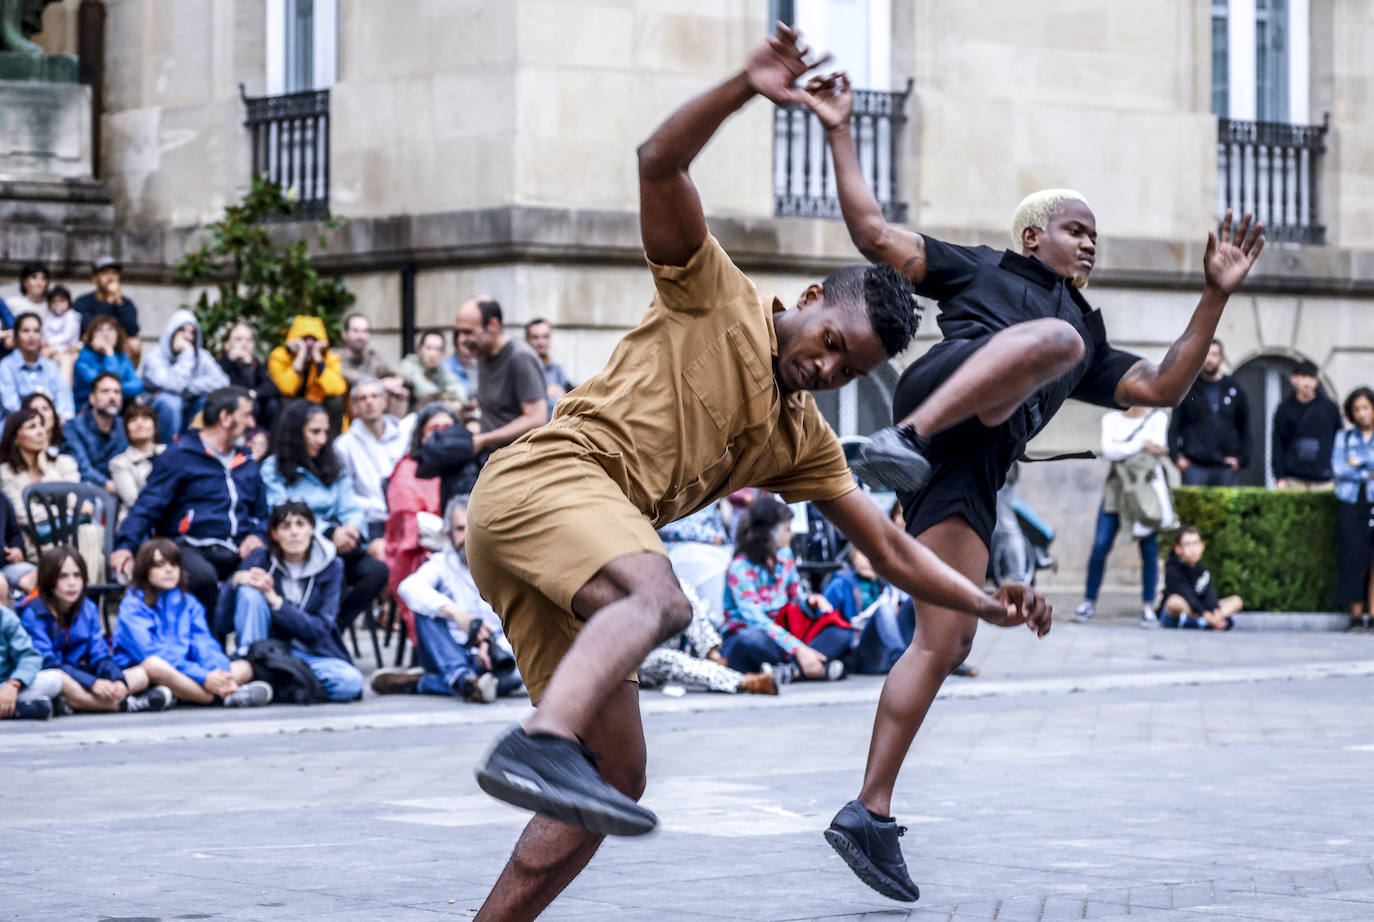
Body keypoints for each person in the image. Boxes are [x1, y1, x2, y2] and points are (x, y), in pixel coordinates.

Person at [464, 29, 1049, 921]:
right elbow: (658, 164)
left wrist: (982, 603)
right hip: (546, 480)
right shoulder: (713, 289)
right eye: (830, 348)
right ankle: (535, 737)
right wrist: (745, 85)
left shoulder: (801, 440)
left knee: (614, 777)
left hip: (572, 549)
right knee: (662, 600)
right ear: (812, 301)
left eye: (848, 373)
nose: (826, 370)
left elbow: (889, 549)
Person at [796, 66, 1267, 900]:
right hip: (935, 400)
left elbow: (1161, 389)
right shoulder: (983, 271)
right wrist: (838, 126)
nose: (1090, 242)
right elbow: (873, 233)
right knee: (1055, 339)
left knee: (946, 644)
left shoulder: (1086, 327)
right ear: (1031, 239)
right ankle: (901, 441)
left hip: (972, 469)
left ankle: (867, 811)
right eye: (1075, 230)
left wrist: (1213, 296)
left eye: (1095, 235)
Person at [110, 387, 268, 620]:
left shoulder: (246, 462)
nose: (251, 422)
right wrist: (125, 545)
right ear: (225, 417)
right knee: (202, 577)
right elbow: (147, 505)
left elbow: (263, 514)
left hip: (238, 547)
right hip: (188, 545)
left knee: (267, 567)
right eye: (246, 415)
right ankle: (212, 646)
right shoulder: (180, 456)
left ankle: (258, 650)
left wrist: (257, 535)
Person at [373, 495, 521, 703]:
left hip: (490, 657)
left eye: (474, 527)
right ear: (448, 533)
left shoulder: (505, 568)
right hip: (445, 651)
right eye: (461, 529)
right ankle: (465, 679)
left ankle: (427, 682)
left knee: (513, 677)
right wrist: (456, 613)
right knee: (424, 609)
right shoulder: (441, 564)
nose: (468, 535)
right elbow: (408, 587)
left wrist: (490, 645)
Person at [260, 400, 389, 632]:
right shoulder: (273, 468)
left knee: (377, 571)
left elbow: (350, 504)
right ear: (295, 432)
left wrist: (353, 529)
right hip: (300, 545)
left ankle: (331, 631)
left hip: (341, 542)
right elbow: (280, 512)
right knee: (335, 567)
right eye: (314, 432)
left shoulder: (332, 463)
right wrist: (330, 533)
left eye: (325, 432)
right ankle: (317, 631)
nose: (321, 439)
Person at [216, 501, 363, 703]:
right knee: (249, 592)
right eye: (285, 526)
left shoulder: (332, 566)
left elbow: (320, 629)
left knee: (350, 683)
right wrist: (233, 583)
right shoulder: (260, 559)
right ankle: (273, 678)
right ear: (275, 534)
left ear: (312, 529)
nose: (294, 532)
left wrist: (276, 602)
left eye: (300, 524)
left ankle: (269, 686)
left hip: (308, 653)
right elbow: (222, 623)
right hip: (264, 652)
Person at [112, 538, 272, 707]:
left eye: (174, 564)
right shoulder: (132, 605)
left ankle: (217, 690)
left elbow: (204, 644)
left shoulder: (188, 602)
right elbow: (151, 653)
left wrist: (218, 672)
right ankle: (219, 698)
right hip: (156, 672)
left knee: (244, 667)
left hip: (188, 672)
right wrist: (204, 677)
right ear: (144, 570)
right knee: (154, 666)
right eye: (160, 565)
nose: (169, 570)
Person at [18, 546, 174, 713]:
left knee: (140, 676)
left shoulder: (88, 608)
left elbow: (100, 655)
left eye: (77, 575)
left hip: (84, 675)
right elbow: (47, 662)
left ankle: (77, 704)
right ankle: (125, 704)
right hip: (57, 676)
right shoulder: (32, 611)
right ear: (49, 580)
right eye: (63, 576)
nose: (72, 583)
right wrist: (92, 683)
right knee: (60, 680)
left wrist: (117, 680)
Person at [720, 497, 851, 679]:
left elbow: (795, 596)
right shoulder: (739, 568)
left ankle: (790, 671)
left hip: (786, 634)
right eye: (787, 529)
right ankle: (809, 669)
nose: (793, 534)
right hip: (758, 635)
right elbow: (755, 620)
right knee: (749, 640)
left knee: (840, 632)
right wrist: (798, 648)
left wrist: (810, 602)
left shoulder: (785, 555)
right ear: (769, 533)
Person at [1074, 405, 1172, 627]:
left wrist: (1125, 447)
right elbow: (1109, 450)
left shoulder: (1158, 418)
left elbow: (1157, 449)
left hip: (1143, 491)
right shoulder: (1111, 419)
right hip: (1116, 491)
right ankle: (1088, 602)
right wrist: (1141, 444)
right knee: (1100, 546)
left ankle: (1148, 606)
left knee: (1149, 549)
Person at [638, 578, 778, 695]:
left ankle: (713, 654)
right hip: (636, 660)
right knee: (667, 658)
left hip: (663, 640)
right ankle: (745, 682)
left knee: (678, 586)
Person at [384, 403, 452, 639]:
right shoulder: (408, 468)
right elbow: (409, 520)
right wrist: (450, 535)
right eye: (435, 427)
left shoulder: (464, 465)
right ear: (421, 433)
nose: (441, 433)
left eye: (447, 427)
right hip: (420, 550)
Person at [453, 296, 548, 457]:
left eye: (468, 332)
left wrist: (485, 439)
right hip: (490, 456)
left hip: (517, 461)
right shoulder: (483, 353)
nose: (462, 339)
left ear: (492, 325)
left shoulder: (520, 358)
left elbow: (537, 418)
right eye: (459, 332)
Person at [334, 378, 410, 551]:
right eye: (363, 398)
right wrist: (380, 507)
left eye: (374, 396)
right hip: (371, 520)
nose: (369, 402)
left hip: (405, 514)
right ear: (354, 407)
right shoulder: (343, 445)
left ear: (385, 402)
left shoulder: (404, 436)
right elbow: (345, 493)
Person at [1166, 340, 1250, 486]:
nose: (1209, 359)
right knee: (1193, 509)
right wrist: (1176, 457)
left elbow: (1245, 427)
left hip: (1225, 465)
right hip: (1194, 466)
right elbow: (1174, 426)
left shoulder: (1234, 388)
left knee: (1226, 509)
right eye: (1206, 355)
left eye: (1214, 354)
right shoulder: (1188, 389)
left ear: (1221, 358)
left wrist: (1242, 459)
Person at [823, 543, 909, 675]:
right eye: (863, 554)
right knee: (883, 609)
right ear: (853, 556)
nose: (868, 561)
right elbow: (822, 618)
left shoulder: (884, 583)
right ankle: (902, 663)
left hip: (890, 647)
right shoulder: (841, 582)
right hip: (864, 653)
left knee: (914, 602)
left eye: (872, 556)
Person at [142, 309, 229, 438]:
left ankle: (193, 446)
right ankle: (169, 450)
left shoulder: (201, 356)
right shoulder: (154, 357)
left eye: (192, 332)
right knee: (171, 402)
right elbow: (174, 385)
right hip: (160, 413)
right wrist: (187, 355)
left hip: (189, 409)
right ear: (171, 331)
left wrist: (190, 387)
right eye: (182, 330)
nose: (187, 336)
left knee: (205, 401)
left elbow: (222, 381)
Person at [0, 407, 81, 532]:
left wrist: (44, 467)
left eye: (42, 425)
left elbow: (74, 500)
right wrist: (65, 512)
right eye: (32, 427)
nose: (41, 432)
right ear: (15, 438)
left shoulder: (60, 463)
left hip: (67, 533)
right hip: (32, 539)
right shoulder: (5, 472)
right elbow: (21, 513)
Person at [1334, 386, 1374, 627]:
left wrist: (1359, 463)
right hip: (1351, 502)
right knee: (1353, 558)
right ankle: (1356, 615)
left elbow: (1351, 467)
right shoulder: (1345, 437)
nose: (1362, 413)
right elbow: (1339, 469)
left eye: (1366, 407)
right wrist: (1369, 472)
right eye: (1357, 409)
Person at [267, 315, 348, 432]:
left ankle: (331, 447)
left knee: (335, 402)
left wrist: (319, 362)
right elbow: (286, 388)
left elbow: (338, 389)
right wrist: (300, 357)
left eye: (314, 339)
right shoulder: (279, 356)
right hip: (292, 408)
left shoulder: (329, 359)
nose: (309, 344)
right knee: (284, 401)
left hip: (317, 408)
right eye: (304, 338)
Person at [1272, 360, 1341, 490]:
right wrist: (1279, 477)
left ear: (1316, 381)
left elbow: (1339, 439)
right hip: (1293, 478)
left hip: (1324, 479)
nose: (1307, 382)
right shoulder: (1284, 409)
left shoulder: (1329, 408)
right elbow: (1278, 444)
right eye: (1303, 377)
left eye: (1311, 377)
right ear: (1294, 379)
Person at [1159, 526, 1243, 630]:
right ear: (1178, 549)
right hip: (1183, 610)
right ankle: (1207, 622)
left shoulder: (1202, 570)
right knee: (1174, 601)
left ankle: (1203, 622)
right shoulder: (1173, 569)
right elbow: (1187, 597)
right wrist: (1207, 615)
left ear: (1202, 546)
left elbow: (1210, 595)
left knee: (1236, 601)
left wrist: (1216, 612)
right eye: (1187, 545)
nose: (1193, 549)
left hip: (1201, 609)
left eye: (1195, 543)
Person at [0, 312, 75, 421]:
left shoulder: (50, 366)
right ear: (16, 336)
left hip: (52, 426)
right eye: (26, 331)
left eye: (36, 331)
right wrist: (40, 420)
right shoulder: (5, 366)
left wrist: (61, 419)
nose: (32, 336)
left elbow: (64, 399)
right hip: (18, 426)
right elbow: (11, 405)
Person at [62, 372, 128, 494]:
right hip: (85, 490)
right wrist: (107, 484)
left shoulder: (125, 426)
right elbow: (81, 467)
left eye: (116, 392)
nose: (112, 397)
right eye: (105, 391)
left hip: (120, 489)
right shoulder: (73, 427)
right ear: (92, 398)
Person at [73, 257, 141, 364]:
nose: (110, 277)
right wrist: (109, 302)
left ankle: (126, 378)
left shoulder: (126, 303)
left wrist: (118, 302)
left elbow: (132, 331)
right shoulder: (82, 302)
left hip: (117, 347)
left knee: (134, 343)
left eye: (114, 273)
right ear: (94, 278)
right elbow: (90, 328)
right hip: (90, 346)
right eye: (105, 273)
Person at [338, 312, 409, 415]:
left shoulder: (373, 356)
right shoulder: (335, 356)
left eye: (364, 331)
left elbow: (404, 373)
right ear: (344, 334)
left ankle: (394, 429)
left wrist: (396, 380)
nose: (360, 336)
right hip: (344, 412)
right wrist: (380, 384)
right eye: (355, 330)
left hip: (373, 411)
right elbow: (347, 374)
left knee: (400, 393)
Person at [0, 602, 62, 720]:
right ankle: (18, 710)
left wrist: (13, 684)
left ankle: (9, 707)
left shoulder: (4, 616)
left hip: (5, 685)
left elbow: (30, 656)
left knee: (54, 679)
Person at [216, 322, 281, 432]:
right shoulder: (220, 365)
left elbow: (272, 387)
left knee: (272, 405)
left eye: (249, 340)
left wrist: (254, 393)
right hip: (229, 410)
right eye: (238, 339)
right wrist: (241, 365)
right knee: (251, 406)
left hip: (258, 414)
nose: (244, 344)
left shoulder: (255, 364)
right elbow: (231, 389)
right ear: (226, 344)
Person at [109, 402, 164, 521]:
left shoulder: (170, 453)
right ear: (126, 430)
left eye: (145, 418)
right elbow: (134, 501)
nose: (139, 424)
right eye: (133, 420)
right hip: (138, 521)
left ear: (154, 427)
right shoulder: (118, 463)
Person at [73, 313, 143, 406]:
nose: (106, 334)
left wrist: (117, 390)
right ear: (91, 336)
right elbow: (106, 382)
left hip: (117, 406)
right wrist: (108, 353)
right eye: (99, 330)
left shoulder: (122, 357)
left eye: (111, 330)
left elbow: (137, 385)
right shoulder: (83, 360)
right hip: (89, 408)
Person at [399, 329, 466, 407]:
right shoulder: (410, 363)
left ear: (443, 353)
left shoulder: (440, 370)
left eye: (438, 349)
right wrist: (447, 398)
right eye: (429, 348)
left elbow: (460, 393)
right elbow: (424, 390)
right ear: (420, 349)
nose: (433, 354)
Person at [524, 317, 576, 402]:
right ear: (527, 340)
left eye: (545, 336)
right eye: (535, 337)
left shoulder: (555, 368)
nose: (541, 342)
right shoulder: (520, 366)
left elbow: (571, 390)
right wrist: (543, 390)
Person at [40, 285, 82, 386]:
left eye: (62, 301)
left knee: (46, 353)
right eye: (54, 302)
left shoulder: (71, 316)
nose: (58, 305)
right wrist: (44, 342)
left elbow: (67, 336)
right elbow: (45, 333)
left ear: (68, 302)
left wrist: (49, 343)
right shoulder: (49, 316)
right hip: (53, 347)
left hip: (67, 347)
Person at [0, 491, 35, 599]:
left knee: (37, 578)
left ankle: (32, 615)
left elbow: (15, 533)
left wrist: (17, 549)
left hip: (5, 565)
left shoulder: (2, 499)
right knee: (1, 585)